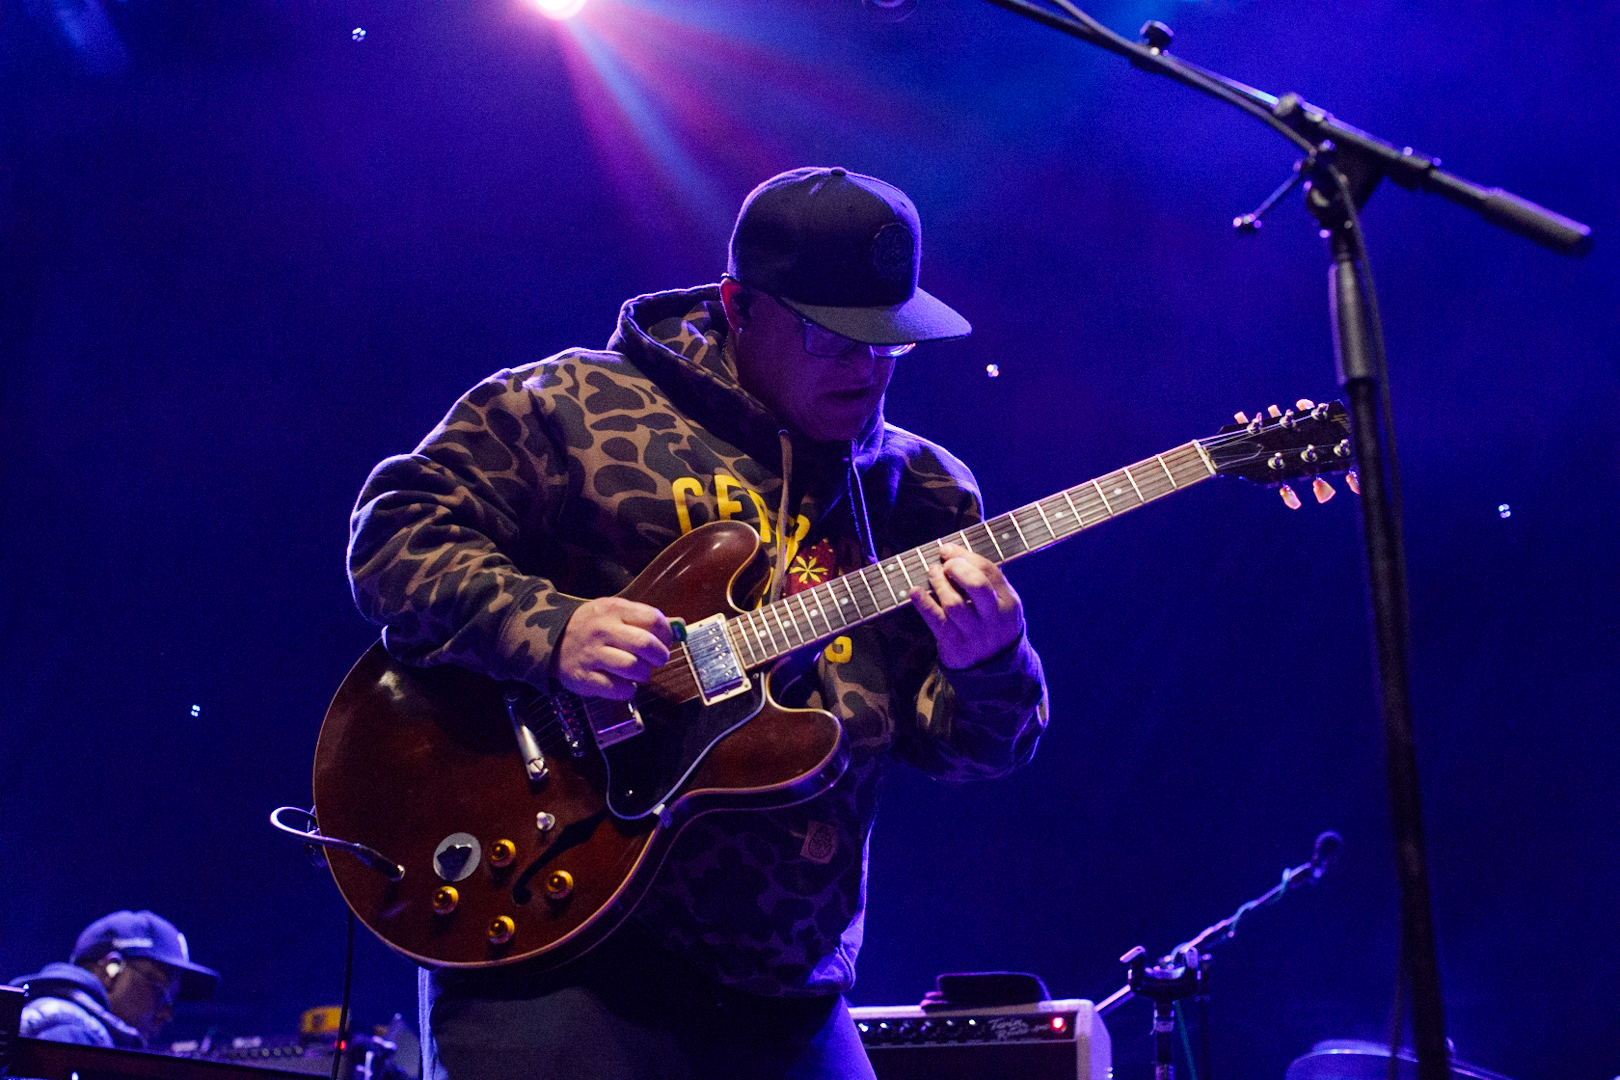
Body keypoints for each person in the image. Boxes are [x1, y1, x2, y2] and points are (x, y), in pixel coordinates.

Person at [348, 166, 1049, 1079]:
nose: (866, 370)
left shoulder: (919, 490)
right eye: (831, 338)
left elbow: (969, 752)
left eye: (889, 343)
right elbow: (396, 535)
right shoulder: (572, 405)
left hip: (788, 981)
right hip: (560, 936)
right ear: (737, 307)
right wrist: (552, 628)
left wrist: (993, 662)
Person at [8, 909, 219, 1050]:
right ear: (111, 971)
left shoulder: (61, 1024)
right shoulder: (76, 1038)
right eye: (161, 992)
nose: (167, 1014)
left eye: (173, 1001)